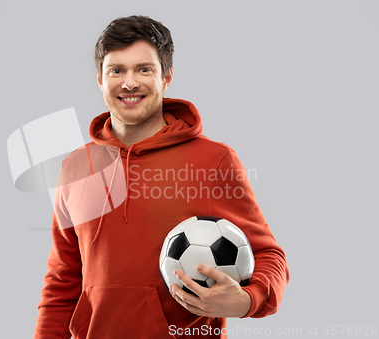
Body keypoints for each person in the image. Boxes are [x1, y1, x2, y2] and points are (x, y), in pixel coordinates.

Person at [33, 15, 289, 339]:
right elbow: (62, 280)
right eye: (117, 70)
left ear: (166, 78)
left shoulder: (213, 160)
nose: (129, 83)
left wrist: (246, 300)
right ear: (100, 79)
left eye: (144, 69)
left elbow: (269, 255)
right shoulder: (75, 167)